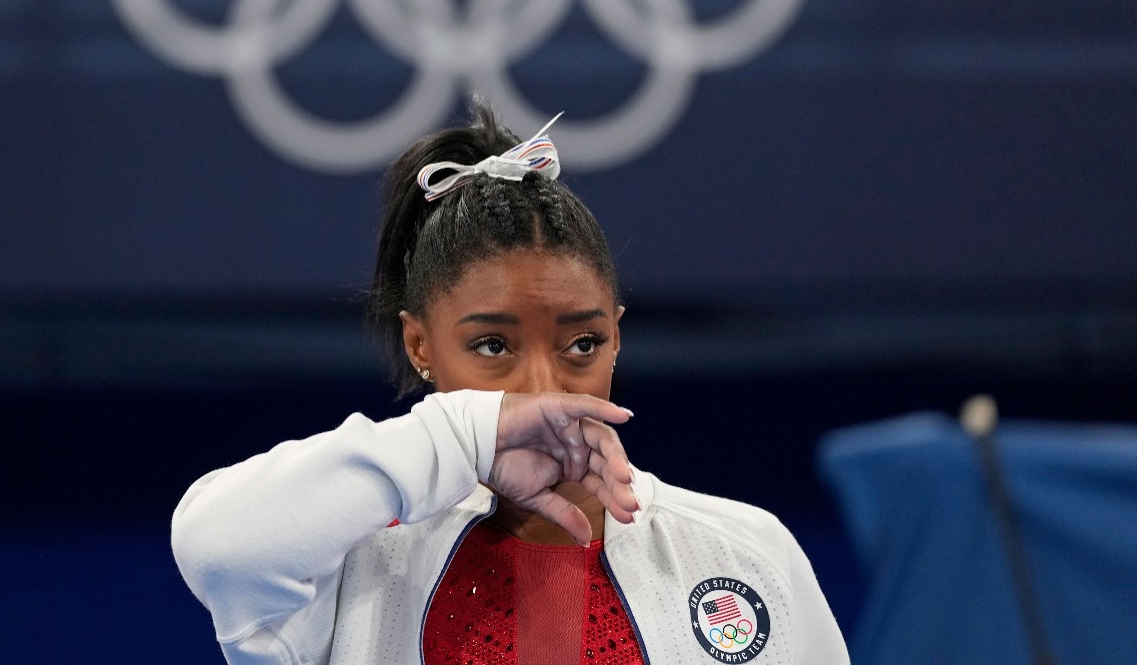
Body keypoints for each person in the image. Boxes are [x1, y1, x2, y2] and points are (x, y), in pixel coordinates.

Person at [172, 101, 849, 664]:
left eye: (582, 342)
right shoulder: (353, 561)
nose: (544, 387)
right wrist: (462, 434)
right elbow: (214, 545)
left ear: (617, 334)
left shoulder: (746, 552)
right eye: (492, 345)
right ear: (420, 344)